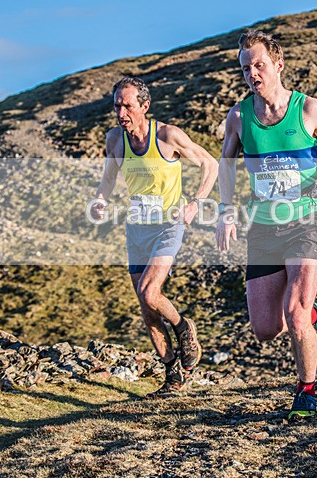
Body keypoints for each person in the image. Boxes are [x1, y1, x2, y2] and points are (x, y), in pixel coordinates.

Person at [215, 30, 317, 420]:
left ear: (278, 64)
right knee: (264, 329)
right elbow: (226, 163)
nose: (252, 73)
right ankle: (313, 315)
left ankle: (306, 392)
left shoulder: (308, 109)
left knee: (293, 311)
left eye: (258, 65)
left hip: (306, 222)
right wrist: (226, 210)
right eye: (245, 68)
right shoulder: (240, 116)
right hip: (263, 227)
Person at [92, 77, 218, 398]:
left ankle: (184, 328)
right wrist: (100, 200)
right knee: (147, 310)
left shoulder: (167, 136)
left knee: (150, 293)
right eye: (117, 105)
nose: (121, 112)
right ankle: (173, 375)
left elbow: (210, 164)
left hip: (168, 224)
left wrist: (195, 203)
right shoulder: (115, 140)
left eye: (128, 106)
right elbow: (109, 176)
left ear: (144, 107)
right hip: (137, 229)